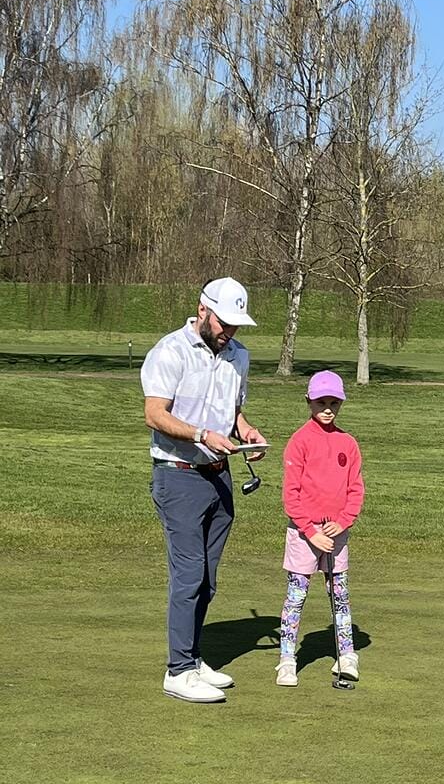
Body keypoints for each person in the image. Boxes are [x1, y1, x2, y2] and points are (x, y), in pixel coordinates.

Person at [141, 277, 268, 703]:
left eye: (236, 324)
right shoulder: (170, 350)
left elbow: (234, 413)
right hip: (178, 475)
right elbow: (155, 414)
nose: (229, 331)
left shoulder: (239, 356)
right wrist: (201, 434)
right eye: (224, 322)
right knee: (190, 574)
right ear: (203, 310)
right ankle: (177, 670)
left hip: (220, 476)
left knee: (208, 579)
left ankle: (193, 659)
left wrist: (246, 432)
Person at [276, 370, 365, 687]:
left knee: (339, 594)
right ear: (309, 402)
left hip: (336, 532)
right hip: (304, 533)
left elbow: (355, 490)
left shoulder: (348, 443)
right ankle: (287, 659)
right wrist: (311, 532)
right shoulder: (299, 442)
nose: (328, 409)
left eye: (333, 403)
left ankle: (347, 655)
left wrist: (342, 521)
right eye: (321, 402)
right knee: (296, 594)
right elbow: (291, 496)